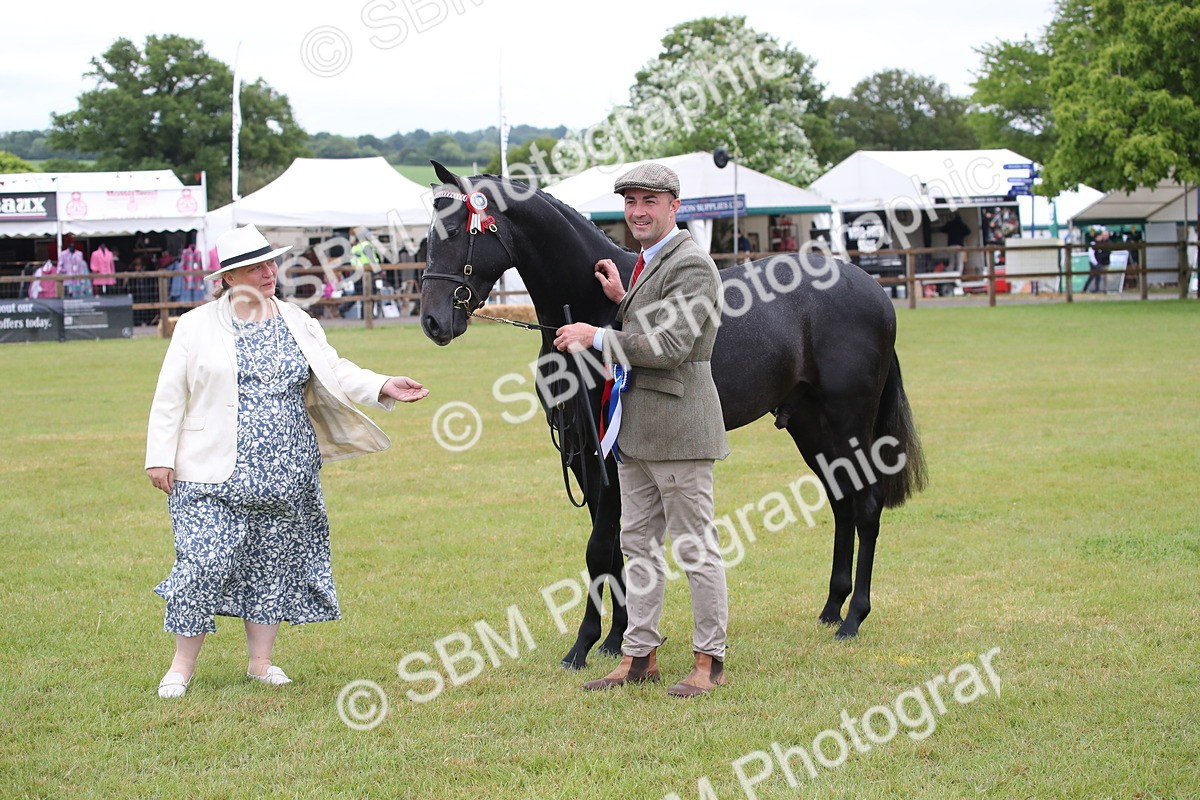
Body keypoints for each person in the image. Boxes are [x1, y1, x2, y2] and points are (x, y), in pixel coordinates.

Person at [145, 224, 430, 699]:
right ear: (229, 277)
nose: (268, 272)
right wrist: (159, 457)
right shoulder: (195, 326)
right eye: (256, 267)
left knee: (271, 563)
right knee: (201, 562)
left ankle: (261, 663)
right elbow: (170, 395)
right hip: (208, 471)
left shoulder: (299, 320)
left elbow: (334, 370)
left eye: (271, 263)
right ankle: (181, 666)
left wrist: (382, 384)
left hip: (288, 469)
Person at [553, 163, 731, 698]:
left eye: (649, 201)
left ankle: (709, 661)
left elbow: (672, 345)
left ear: (675, 206)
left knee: (696, 549)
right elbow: (654, 319)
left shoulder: (693, 264)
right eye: (630, 201)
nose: (638, 211)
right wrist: (621, 301)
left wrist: (598, 335)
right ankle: (639, 655)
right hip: (638, 431)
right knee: (639, 547)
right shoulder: (652, 262)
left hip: (680, 429)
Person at [1084, 229, 1110, 293]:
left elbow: (1105, 252)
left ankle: (1098, 289)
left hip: (1100, 262)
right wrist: (1096, 262)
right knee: (1093, 276)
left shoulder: (1105, 243)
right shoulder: (1094, 243)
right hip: (1095, 262)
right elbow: (1092, 254)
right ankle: (1087, 289)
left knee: (1099, 276)